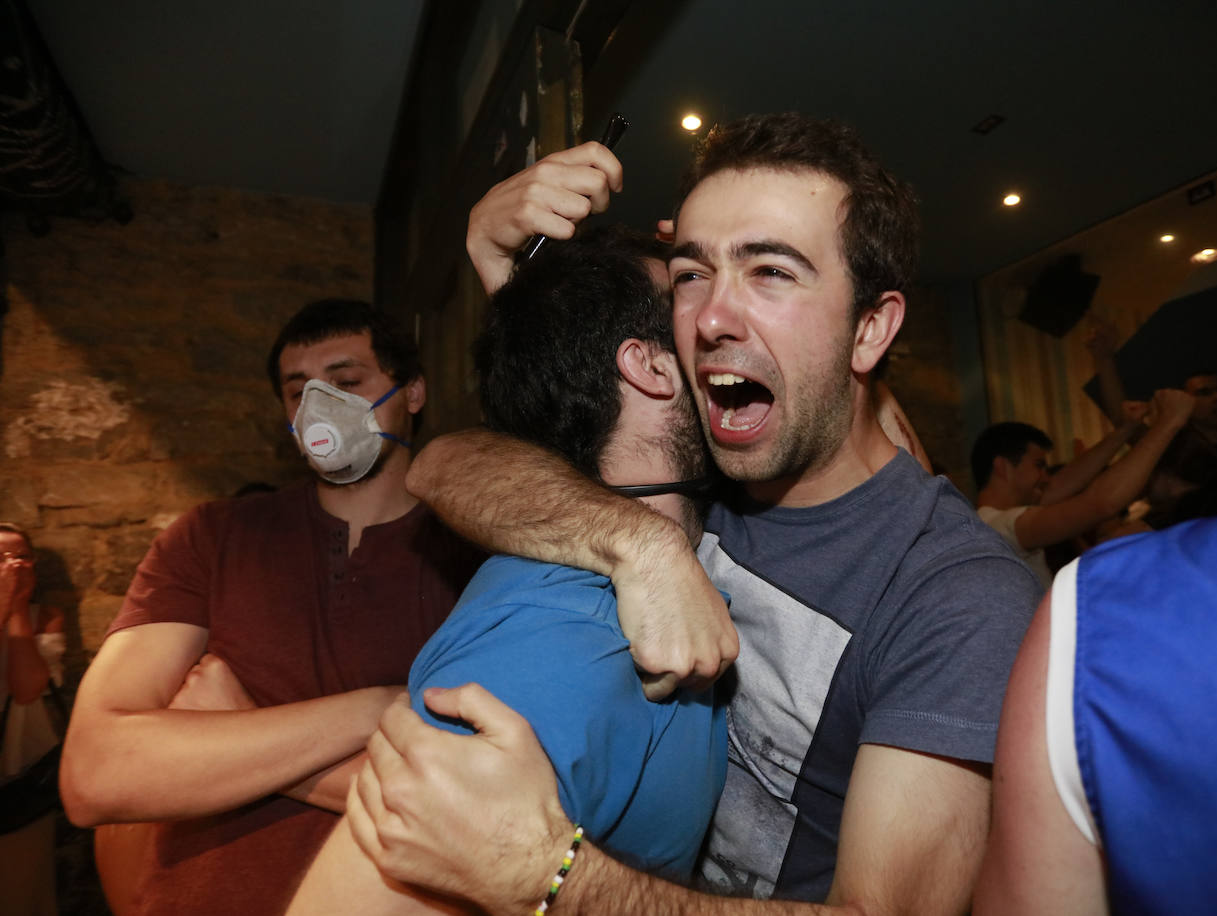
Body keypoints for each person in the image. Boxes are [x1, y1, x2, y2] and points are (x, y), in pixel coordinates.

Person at [348, 112, 1041, 915]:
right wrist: (642, 547)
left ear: (871, 327)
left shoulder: (958, 593)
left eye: (771, 271)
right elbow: (448, 460)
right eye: (692, 274)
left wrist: (552, 874)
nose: (712, 316)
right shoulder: (705, 465)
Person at [974, 124, 1217, 913]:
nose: (1048, 473)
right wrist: (1155, 423)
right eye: (1037, 464)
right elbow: (1088, 502)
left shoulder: (1115, 605)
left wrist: (1135, 421)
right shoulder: (997, 524)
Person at [289, 229, 727, 913]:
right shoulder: (561, 641)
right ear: (650, 365)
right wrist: (552, 877)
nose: (724, 324)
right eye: (689, 303)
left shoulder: (683, 547)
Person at [59, 300, 482, 915]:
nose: (320, 408)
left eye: (345, 382)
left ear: (412, 392)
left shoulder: (478, 557)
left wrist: (238, 724)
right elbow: (96, 772)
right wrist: (379, 707)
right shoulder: (212, 537)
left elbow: (478, 816)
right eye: (299, 392)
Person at [971, 390, 1194, 588]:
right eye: (1039, 465)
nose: (1046, 477)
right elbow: (1101, 503)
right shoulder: (998, 526)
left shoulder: (990, 520)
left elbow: (1062, 484)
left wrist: (1126, 429)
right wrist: (1169, 422)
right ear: (1002, 467)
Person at [1, 523, 66, 916]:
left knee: (23, 886)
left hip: (23, 765)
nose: (12, 565)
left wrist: (18, 609)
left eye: (21, 556)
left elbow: (27, 689)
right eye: (0, 557)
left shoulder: (46, 616)